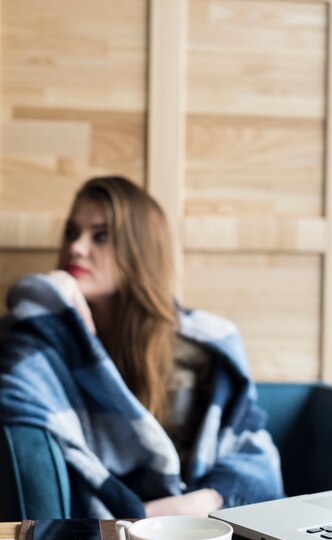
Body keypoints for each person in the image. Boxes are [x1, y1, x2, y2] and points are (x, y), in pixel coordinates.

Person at [0, 176, 284, 519]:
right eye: (72, 233)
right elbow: (16, 392)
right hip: (102, 535)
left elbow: (255, 453)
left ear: (139, 249)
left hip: (196, 530)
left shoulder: (203, 344)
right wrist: (50, 290)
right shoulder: (46, 342)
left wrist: (202, 502)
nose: (76, 247)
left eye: (101, 236)